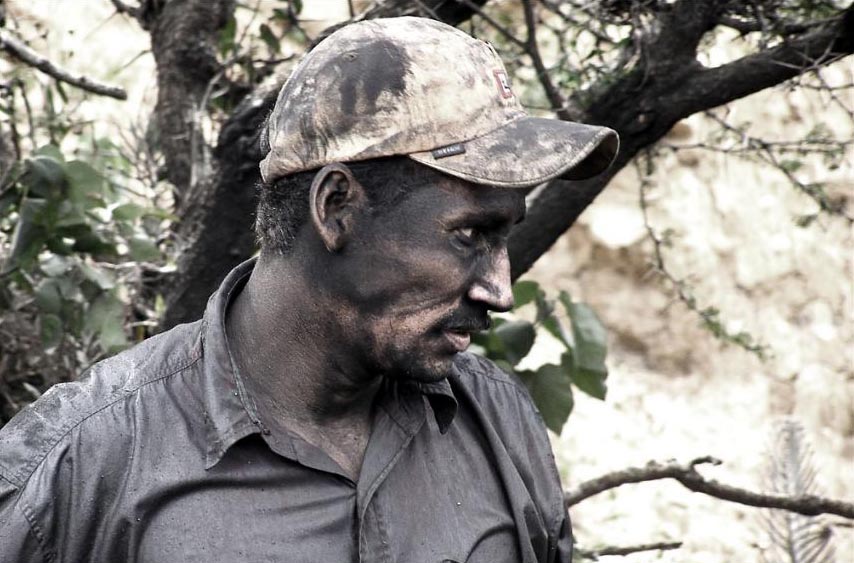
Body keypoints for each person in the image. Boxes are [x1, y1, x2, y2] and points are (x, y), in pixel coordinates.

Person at [0, 16, 617, 563]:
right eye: (470, 235)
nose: (499, 291)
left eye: (506, 237)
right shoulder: (84, 460)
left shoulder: (498, 421)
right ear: (336, 205)